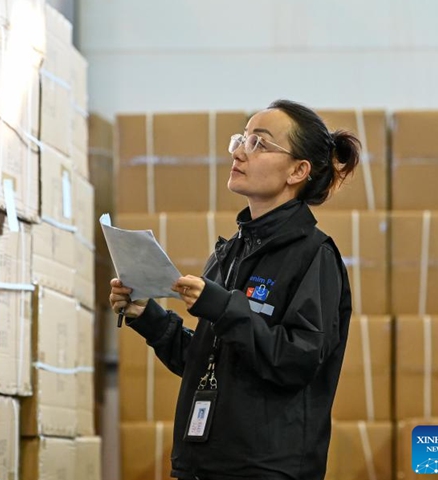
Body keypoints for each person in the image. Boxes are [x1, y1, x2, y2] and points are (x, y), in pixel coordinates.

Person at [109, 99, 360, 480]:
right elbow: (209, 362)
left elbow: (297, 360)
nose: (240, 152)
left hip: (264, 469)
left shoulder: (314, 256)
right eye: (241, 139)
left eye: (259, 143)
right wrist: (148, 316)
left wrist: (224, 308)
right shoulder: (228, 254)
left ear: (298, 170)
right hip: (202, 465)